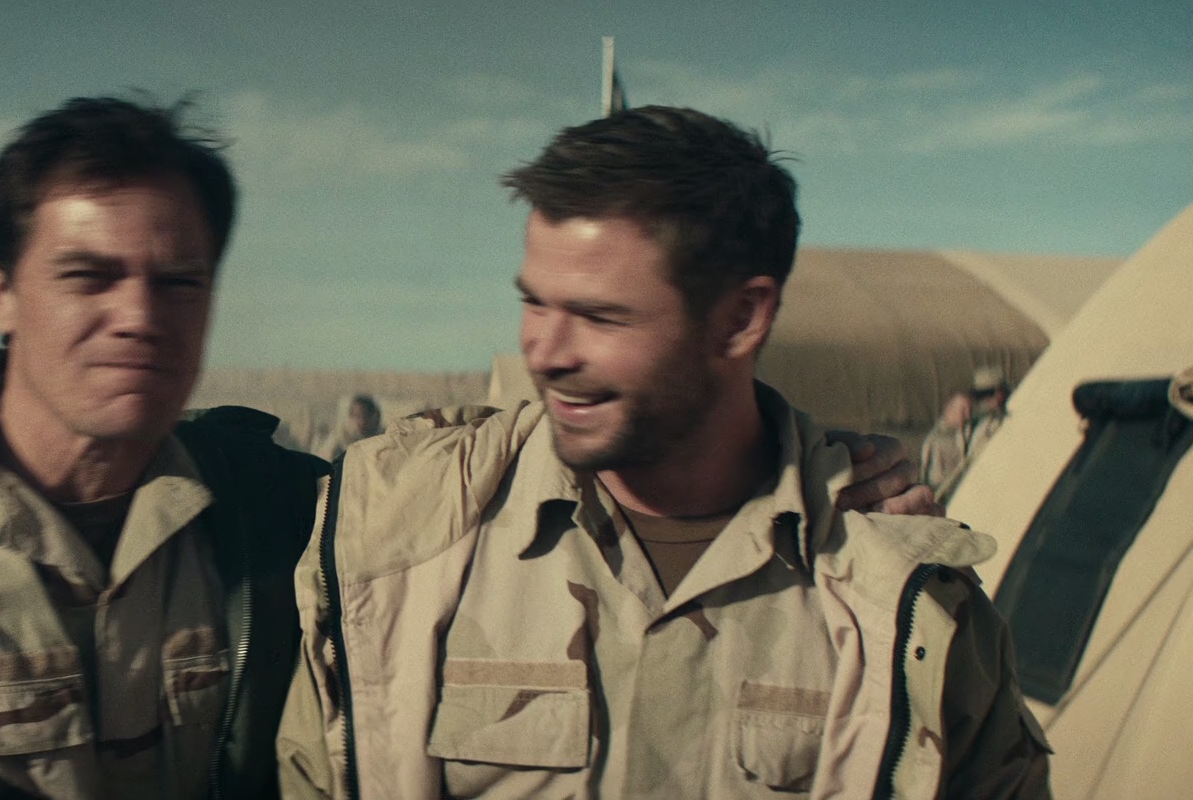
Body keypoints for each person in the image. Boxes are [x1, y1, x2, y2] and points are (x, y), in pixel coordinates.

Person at [0, 96, 933, 800]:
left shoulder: (274, 510)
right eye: (86, 275)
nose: (137, 315)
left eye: (178, 279)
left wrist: (824, 469)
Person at [277, 107, 1049, 799]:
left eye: (600, 316)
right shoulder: (403, 533)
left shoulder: (897, 597)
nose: (544, 351)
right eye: (534, 301)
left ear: (740, 319)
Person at [922, 366, 1011, 500]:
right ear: (949, 409)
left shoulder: (981, 426)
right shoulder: (937, 440)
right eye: (981, 395)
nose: (967, 415)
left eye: (968, 410)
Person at [317, 394, 384, 460]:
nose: (361, 422)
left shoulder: (383, 440)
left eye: (366, 416)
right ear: (350, 417)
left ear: (374, 417)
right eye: (357, 416)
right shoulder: (339, 441)